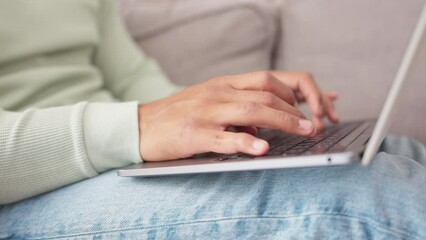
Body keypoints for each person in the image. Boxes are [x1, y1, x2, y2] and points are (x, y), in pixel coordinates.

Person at [0, 0, 425, 239]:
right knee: (358, 193)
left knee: (392, 149)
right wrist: (139, 127)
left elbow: (132, 78)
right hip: (22, 190)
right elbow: (141, 117)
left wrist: (232, 106)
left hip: (113, 156)